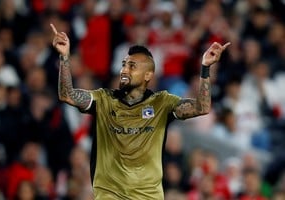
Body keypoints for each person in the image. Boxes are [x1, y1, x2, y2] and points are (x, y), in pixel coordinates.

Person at [50, 23, 230, 200]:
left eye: (132, 66)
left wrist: (205, 68)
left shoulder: (162, 103)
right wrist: (64, 58)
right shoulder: (103, 100)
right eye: (124, 65)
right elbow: (68, 95)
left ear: (148, 75)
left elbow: (202, 107)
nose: (124, 70)